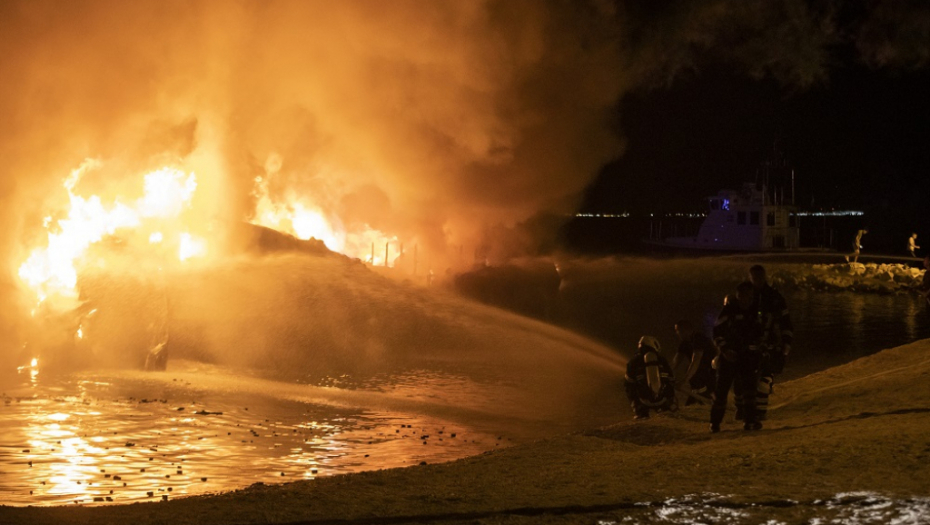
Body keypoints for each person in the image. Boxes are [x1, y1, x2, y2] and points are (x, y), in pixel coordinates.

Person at [710, 281, 764, 432]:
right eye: (743, 295)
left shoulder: (755, 310)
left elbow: (759, 331)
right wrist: (725, 350)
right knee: (721, 391)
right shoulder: (729, 311)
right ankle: (715, 423)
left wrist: (758, 348)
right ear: (738, 295)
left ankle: (750, 422)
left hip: (748, 356)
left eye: (749, 295)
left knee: (749, 391)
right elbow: (716, 332)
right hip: (730, 357)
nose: (747, 299)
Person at [748, 265, 794, 422]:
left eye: (759, 277)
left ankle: (760, 413)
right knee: (747, 380)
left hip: (770, 345)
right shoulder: (745, 296)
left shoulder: (775, 298)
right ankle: (747, 411)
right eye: (754, 278)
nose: (757, 281)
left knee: (764, 380)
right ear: (750, 278)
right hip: (749, 345)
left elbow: (786, 322)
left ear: (764, 277)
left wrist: (786, 344)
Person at [624, 335, 677, 420]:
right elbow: (671, 379)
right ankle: (668, 409)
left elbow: (628, 384)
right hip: (663, 400)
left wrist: (636, 405)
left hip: (643, 400)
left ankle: (641, 413)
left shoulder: (633, 361)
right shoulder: (661, 359)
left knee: (630, 387)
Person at [672, 319, 717, 406]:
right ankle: (698, 398)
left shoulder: (699, 338)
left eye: (678, 330)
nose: (677, 333)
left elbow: (696, 361)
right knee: (694, 375)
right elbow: (676, 361)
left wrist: (684, 380)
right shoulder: (684, 343)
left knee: (696, 374)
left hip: (712, 370)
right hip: (702, 371)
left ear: (686, 330)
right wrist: (666, 373)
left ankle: (704, 397)